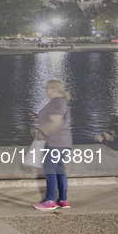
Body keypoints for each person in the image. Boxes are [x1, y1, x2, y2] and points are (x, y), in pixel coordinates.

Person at [31, 80, 73, 211]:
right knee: (60, 170)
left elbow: (56, 122)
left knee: (50, 170)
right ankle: (62, 200)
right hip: (63, 142)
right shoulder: (60, 102)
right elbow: (54, 118)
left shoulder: (56, 102)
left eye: (48, 88)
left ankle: (50, 201)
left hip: (55, 142)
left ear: (54, 89)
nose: (46, 91)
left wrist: (41, 133)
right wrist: (40, 119)